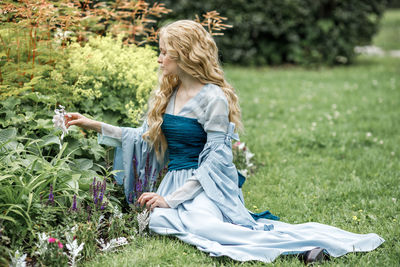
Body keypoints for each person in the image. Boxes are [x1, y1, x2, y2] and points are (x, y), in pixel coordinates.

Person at [64, 20, 385, 264]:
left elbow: (216, 159)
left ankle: (304, 247)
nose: (160, 59)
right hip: (174, 181)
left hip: (205, 184)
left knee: (205, 225)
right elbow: (145, 139)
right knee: (158, 220)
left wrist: (175, 198)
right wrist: (94, 124)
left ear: (184, 54)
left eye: (165, 52)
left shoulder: (213, 98)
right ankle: (190, 219)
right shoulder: (170, 93)